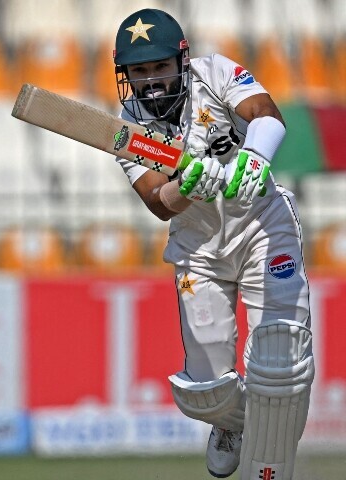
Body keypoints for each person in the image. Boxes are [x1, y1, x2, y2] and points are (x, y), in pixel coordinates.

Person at [112, 9, 313, 480]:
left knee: (279, 355)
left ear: (181, 60)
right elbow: (159, 203)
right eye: (139, 73)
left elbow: (266, 114)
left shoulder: (216, 72)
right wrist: (187, 187)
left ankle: (269, 461)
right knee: (205, 389)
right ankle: (233, 424)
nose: (151, 81)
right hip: (198, 250)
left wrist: (254, 157)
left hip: (262, 226)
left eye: (159, 67)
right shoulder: (128, 126)